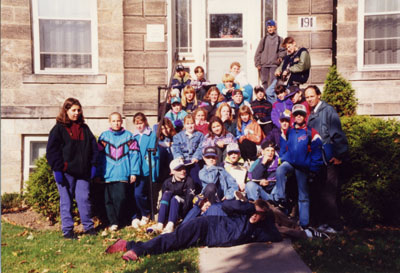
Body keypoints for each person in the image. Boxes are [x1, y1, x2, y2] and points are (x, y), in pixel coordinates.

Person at [105, 199, 282, 261]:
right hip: (203, 226)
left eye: (258, 214)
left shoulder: (258, 231)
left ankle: (128, 244)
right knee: (172, 240)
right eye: (253, 211)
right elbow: (227, 205)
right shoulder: (241, 215)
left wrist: (267, 215)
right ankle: (136, 249)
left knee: (173, 243)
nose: (254, 215)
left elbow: (276, 235)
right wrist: (249, 208)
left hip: (206, 239)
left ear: (263, 217)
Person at [46, 98, 99, 238]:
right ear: (66, 111)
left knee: (84, 199)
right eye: (73, 110)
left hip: (83, 172)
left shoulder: (85, 129)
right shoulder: (58, 129)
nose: (76, 113)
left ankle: (88, 227)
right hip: (65, 172)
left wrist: (93, 165)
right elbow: (52, 151)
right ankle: (68, 230)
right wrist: (58, 169)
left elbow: (94, 148)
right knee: (66, 201)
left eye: (78, 110)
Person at [305, 85, 349, 233]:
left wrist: (339, 155)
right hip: (318, 160)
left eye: (311, 96)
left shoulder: (328, 111)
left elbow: (337, 133)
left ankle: (336, 225)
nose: (309, 99)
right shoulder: (311, 115)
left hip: (329, 158)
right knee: (321, 192)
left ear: (318, 95)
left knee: (329, 193)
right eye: (307, 97)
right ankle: (325, 223)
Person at [275, 104, 323, 229]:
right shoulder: (288, 131)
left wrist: (313, 169)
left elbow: (317, 152)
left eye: (301, 114)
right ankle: (281, 198)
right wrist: (284, 158)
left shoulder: (310, 132)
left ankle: (304, 224)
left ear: (305, 116)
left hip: (303, 166)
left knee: (303, 196)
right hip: (290, 162)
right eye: (296, 115)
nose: (299, 117)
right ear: (293, 117)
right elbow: (283, 148)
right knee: (280, 170)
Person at [97, 112, 141, 231]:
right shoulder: (104, 137)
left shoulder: (129, 136)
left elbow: (134, 155)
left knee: (121, 198)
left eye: (118, 121)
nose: (116, 123)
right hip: (107, 174)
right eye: (114, 121)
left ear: (122, 121)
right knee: (108, 200)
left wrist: (133, 172)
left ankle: (121, 219)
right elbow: (99, 156)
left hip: (122, 173)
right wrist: (99, 173)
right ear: (109, 122)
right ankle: (113, 222)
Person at [146, 158, 195, 234]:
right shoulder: (167, 182)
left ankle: (170, 225)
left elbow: (189, 201)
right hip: (170, 210)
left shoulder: (189, 181)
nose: (182, 171)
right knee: (166, 194)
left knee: (175, 198)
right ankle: (160, 223)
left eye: (183, 168)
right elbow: (163, 199)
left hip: (183, 209)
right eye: (178, 169)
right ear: (172, 172)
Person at [130, 112, 158, 229]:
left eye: (141, 123)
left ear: (145, 122)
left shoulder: (151, 135)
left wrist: (149, 167)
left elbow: (150, 152)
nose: (139, 126)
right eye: (137, 124)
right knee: (135, 194)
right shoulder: (133, 136)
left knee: (140, 193)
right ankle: (139, 214)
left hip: (145, 169)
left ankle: (146, 213)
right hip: (135, 169)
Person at [172, 114, 204, 191]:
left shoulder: (200, 135)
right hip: (183, 161)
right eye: (188, 124)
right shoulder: (178, 136)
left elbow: (201, 147)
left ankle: (197, 192)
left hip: (194, 161)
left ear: (195, 124)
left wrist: (196, 157)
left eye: (192, 123)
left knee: (195, 176)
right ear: (184, 125)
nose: (190, 126)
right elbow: (176, 148)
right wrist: (179, 156)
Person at [254, 20, 286, 90]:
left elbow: (283, 51)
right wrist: (257, 63)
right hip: (264, 65)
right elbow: (258, 52)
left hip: (274, 65)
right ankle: (266, 96)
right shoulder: (264, 39)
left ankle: (272, 97)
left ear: (275, 27)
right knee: (264, 81)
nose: (270, 29)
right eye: (268, 28)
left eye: (271, 27)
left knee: (273, 82)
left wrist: (280, 57)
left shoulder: (279, 39)